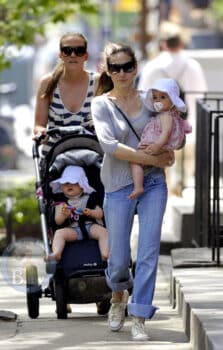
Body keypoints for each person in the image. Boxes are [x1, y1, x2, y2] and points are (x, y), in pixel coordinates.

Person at [91, 42, 174, 341]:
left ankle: (139, 315)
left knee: (149, 251)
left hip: (153, 183)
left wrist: (173, 148)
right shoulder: (101, 104)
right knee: (118, 259)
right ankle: (117, 297)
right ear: (108, 71)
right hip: (117, 186)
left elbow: (172, 125)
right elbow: (110, 147)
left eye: (128, 66)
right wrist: (153, 158)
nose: (123, 72)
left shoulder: (151, 101)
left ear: (136, 68)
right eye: (116, 68)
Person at [138, 22, 207, 191]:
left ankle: (167, 189)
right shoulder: (192, 66)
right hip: (188, 126)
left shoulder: (152, 66)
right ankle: (179, 186)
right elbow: (201, 95)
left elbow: (142, 96)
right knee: (185, 163)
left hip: (158, 130)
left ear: (163, 44)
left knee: (161, 170)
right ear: (181, 43)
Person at [33, 32, 98, 156]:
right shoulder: (48, 83)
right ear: (60, 55)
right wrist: (41, 132)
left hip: (92, 157)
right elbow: (39, 125)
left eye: (79, 50)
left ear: (86, 55)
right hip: (55, 157)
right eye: (67, 50)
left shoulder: (98, 82)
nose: (73, 55)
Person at [129, 78, 192, 199]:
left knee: (134, 161)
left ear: (173, 100)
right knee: (145, 164)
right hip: (158, 147)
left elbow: (166, 133)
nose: (158, 100)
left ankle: (138, 186)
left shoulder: (166, 115)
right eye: (155, 97)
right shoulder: (168, 114)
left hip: (156, 145)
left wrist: (157, 146)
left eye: (163, 97)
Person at [45, 165, 109, 262]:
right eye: (65, 183)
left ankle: (106, 253)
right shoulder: (61, 202)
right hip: (72, 229)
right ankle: (56, 253)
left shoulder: (91, 198)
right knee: (59, 233)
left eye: (73, 182)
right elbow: (57, 221)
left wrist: (92, 213)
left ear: (82, 185)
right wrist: (64, 215)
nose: (68, 185)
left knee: (104, 232)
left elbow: (100, 214)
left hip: (91, 226)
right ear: (61, 186)